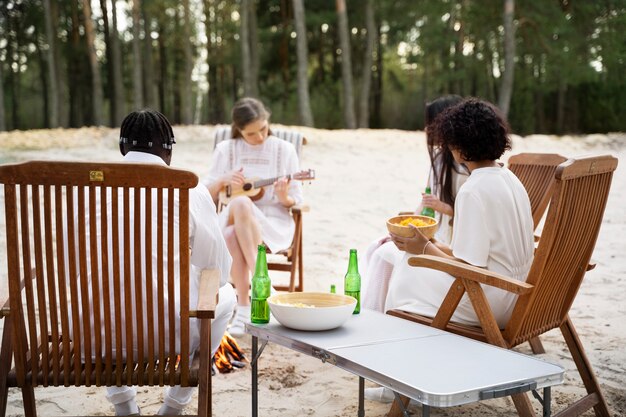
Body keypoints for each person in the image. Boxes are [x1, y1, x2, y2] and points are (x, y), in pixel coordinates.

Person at [366, 98, 535, 403]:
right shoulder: (511, 179)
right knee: (403, 260)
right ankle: (402, 372)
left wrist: (424, 247)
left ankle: (394, 380)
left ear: (457, 147)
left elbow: (468, 270)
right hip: (519, 296)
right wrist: (435, 246)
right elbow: (475, 256)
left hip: (490, 303)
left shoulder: (474, 190)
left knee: (404, 268)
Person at [106, 109, 237, 416]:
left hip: (96, 335)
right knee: (226, 296)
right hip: (169, 334)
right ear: (168, 151)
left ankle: (124, 406)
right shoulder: (189, 189)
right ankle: (174, 405)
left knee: (101, 295)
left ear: (123, 148)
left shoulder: (85, 190)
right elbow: (216, 269)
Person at [204, 97, 303, 336]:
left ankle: (245, 307)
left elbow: (296, 200)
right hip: (230, 214)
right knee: (240, 202)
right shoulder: (226, 149)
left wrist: (283, 197)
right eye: (251, 134)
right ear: (238, 130)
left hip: (273, 222)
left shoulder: (284, 150)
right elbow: (204, 195)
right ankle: (262, 282)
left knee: (231, 233)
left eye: (263, 129)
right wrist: (222, 180)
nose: (259, 137)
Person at [362, 95, 468, 312]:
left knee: (384, 255)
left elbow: (466, 216)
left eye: (432, 123)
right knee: (376, 247)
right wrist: (409, 222)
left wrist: (441, 207)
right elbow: (425, 202)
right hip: (432, 232)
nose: (427, 129)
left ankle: (377, 316)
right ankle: (373, 312)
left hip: (448, 240)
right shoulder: (439, 161)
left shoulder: (463, 169)